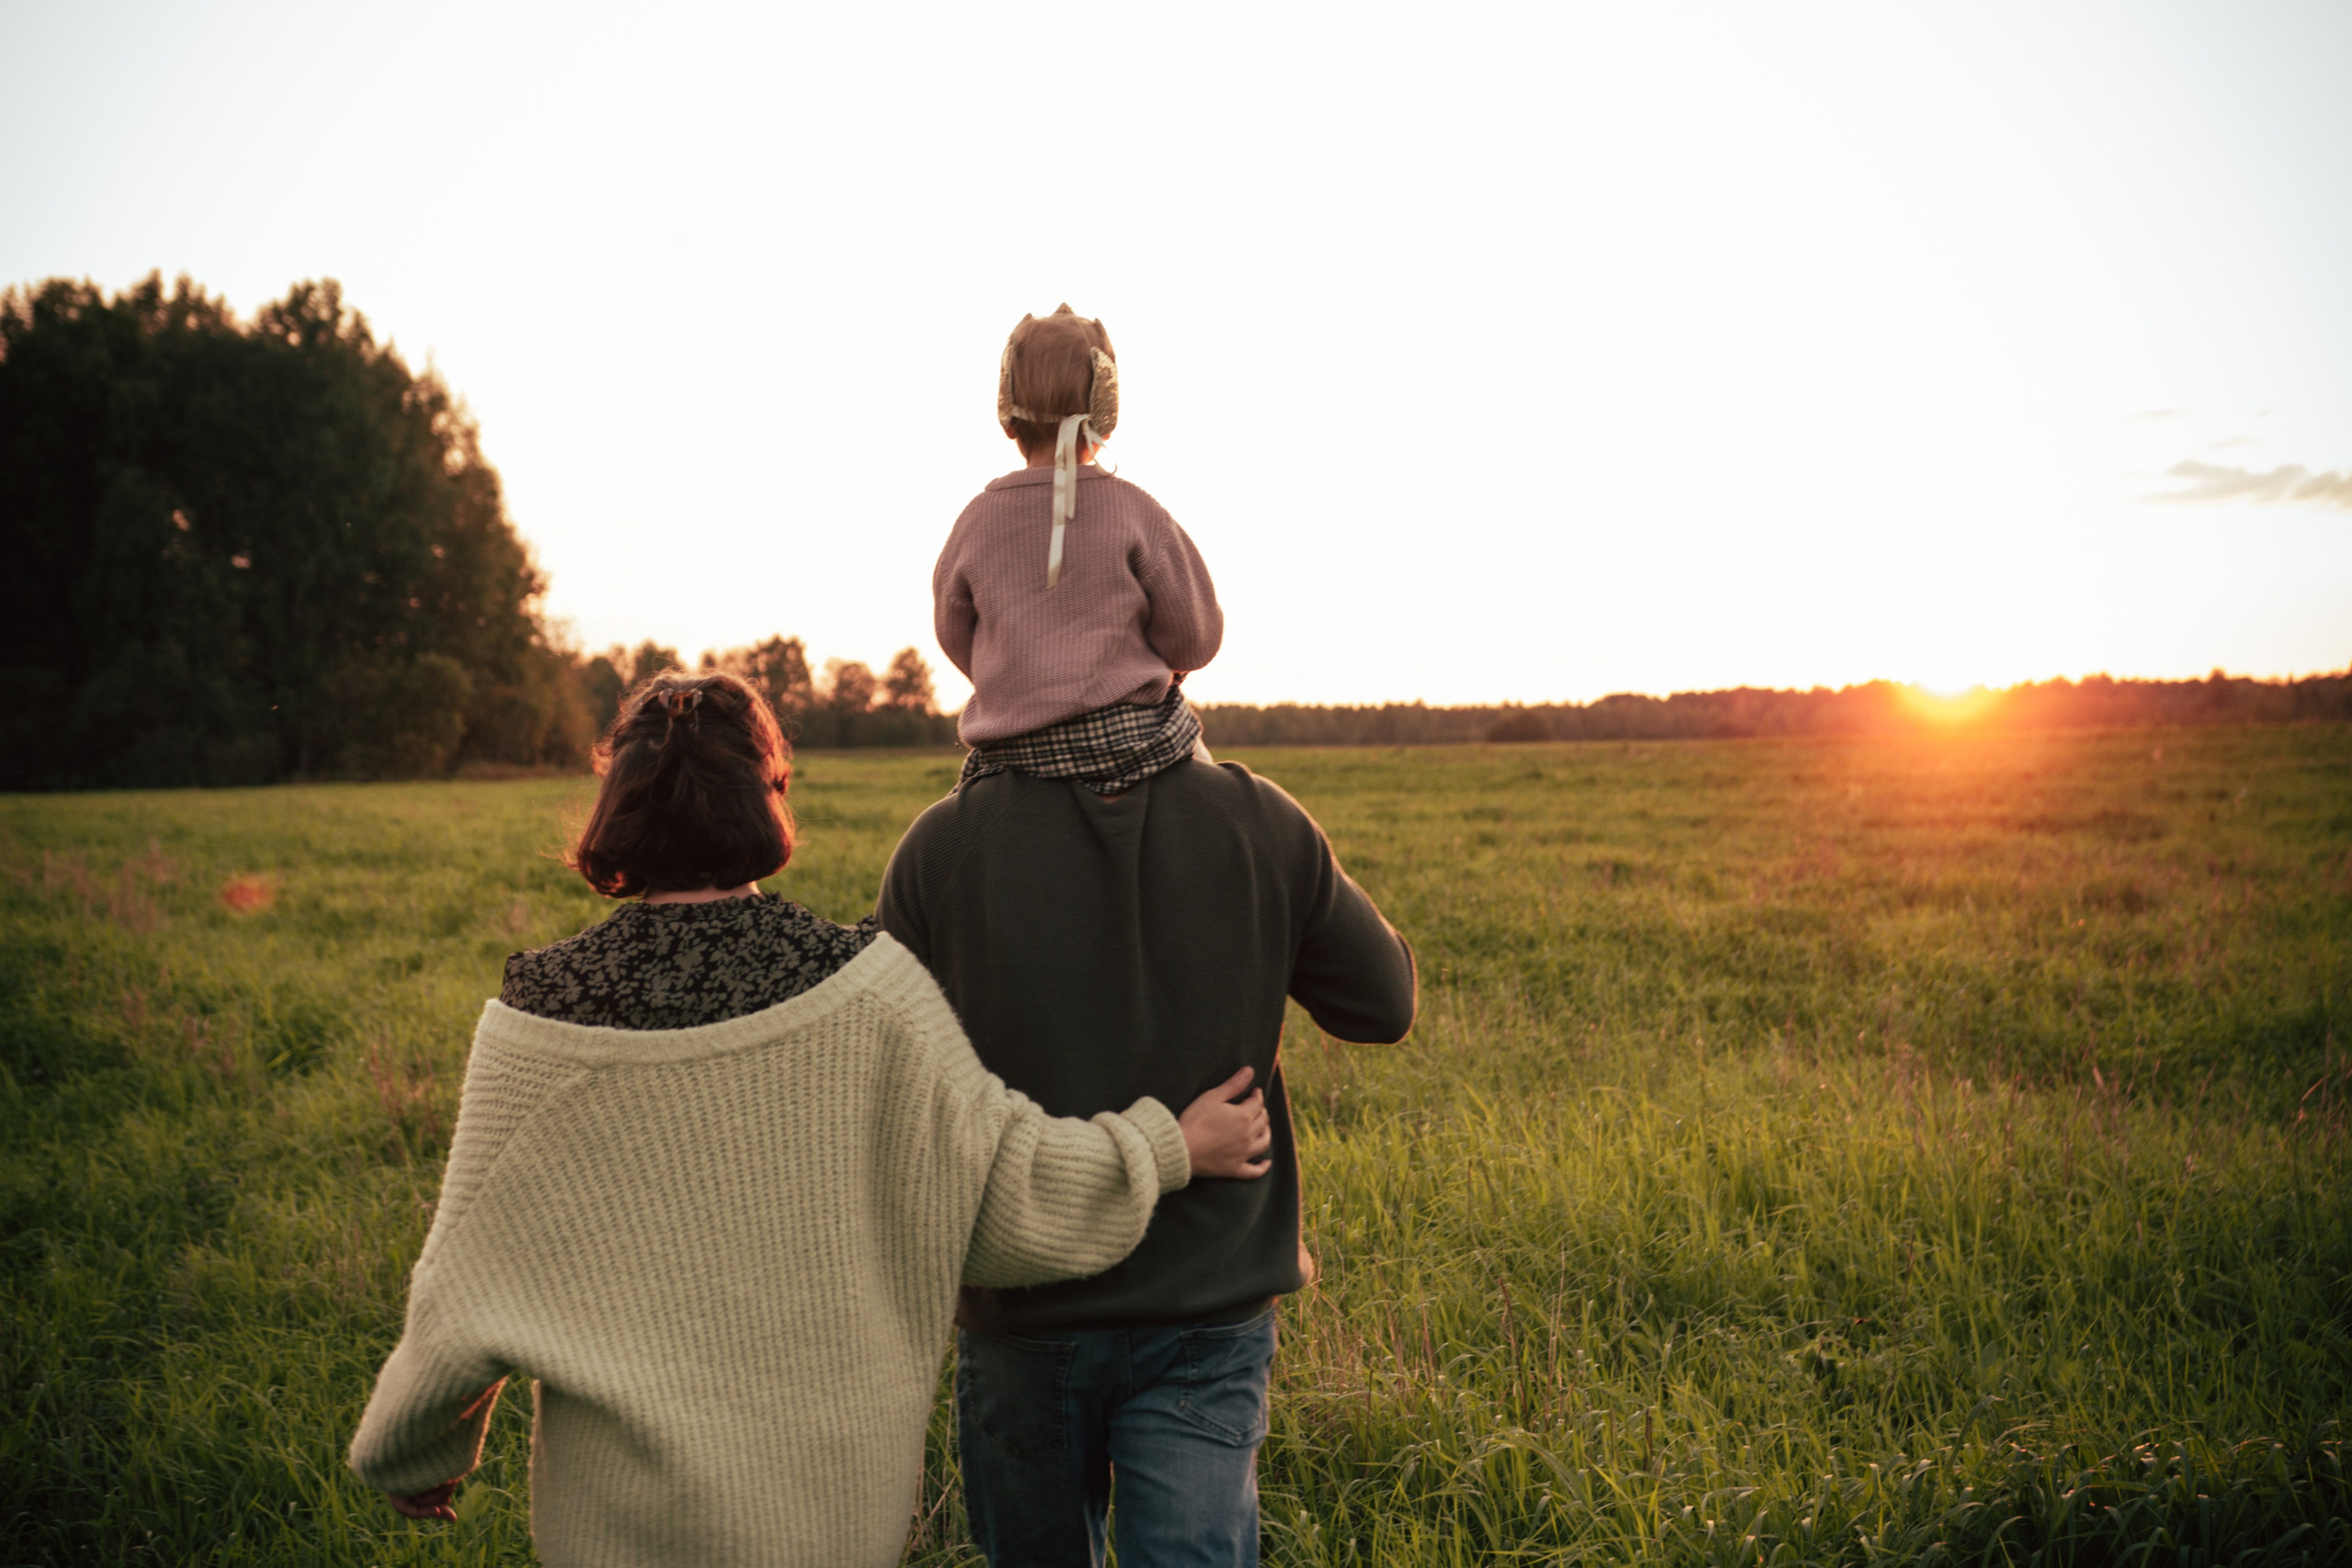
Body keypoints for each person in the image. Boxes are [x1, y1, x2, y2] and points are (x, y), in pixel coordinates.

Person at [346, 671, 1274, 1568]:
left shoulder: (534, 1015)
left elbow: (460, 1287)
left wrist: (415, 1451)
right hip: (827, 1526)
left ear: (615, 806)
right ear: (769, 795)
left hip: (615, 1530)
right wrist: (1170, 1146)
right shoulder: (866, 990)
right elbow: (1001, 1193)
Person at [877, 713, 1419, 1561]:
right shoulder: (1259, 819)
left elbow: (893, 1084)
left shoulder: (946, 841)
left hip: (1022, 1296)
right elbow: (1383, 1005)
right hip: (1206, 1298)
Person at [933, 304, 1224, 795]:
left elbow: (953, 632)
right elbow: (1196, 638)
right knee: (1213, 801)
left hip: (1012, 751)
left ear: (1007, 413)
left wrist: (1017, 675)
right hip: (1136, 742)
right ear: (1106, 411)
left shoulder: (975, 521)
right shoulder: (1135, 510)